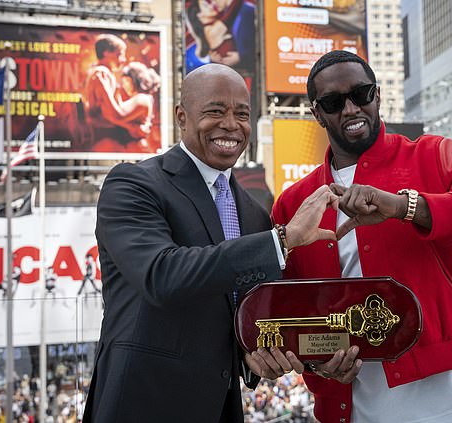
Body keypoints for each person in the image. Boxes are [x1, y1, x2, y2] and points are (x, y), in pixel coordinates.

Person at [271, 50, 452, 423]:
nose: (350, 109)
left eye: (360, 94)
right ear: (316, 112)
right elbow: (293, 312)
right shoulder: (294, 202)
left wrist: (406, 207)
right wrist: (317, 366)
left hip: (451, 403)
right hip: (347, 408)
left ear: (377, 95)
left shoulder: (435, 156)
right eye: (333, 102)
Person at [82, 63, 338, 423]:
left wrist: (267, 356)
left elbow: (245, 317)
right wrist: (283, 239)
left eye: (242, 114)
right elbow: (162, 275)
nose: (231, 125)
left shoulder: (253, 213)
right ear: (182, 117)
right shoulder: (133, 184)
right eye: (215, 111)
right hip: (142, 404)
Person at [83, 35, 154, 152]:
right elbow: (114, 114)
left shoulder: (102, 73)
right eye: (119, 54)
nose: (123, 60)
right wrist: (134, 127)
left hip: (107, 139)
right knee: (143, 100)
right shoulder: (102, 74)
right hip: (105, 140)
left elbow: (110, 114)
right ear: (106, 53)